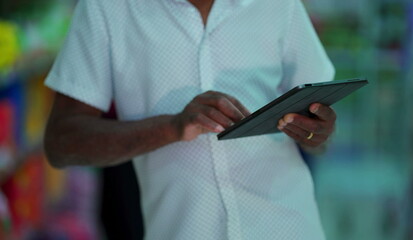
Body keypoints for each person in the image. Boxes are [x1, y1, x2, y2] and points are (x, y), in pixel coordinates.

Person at [44, 0, 336, 239]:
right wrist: (171, 127)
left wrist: (316, 135)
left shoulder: (278, 5)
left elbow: (317, 127)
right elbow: (62, 142)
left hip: (289, 227)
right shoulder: (107, 9)